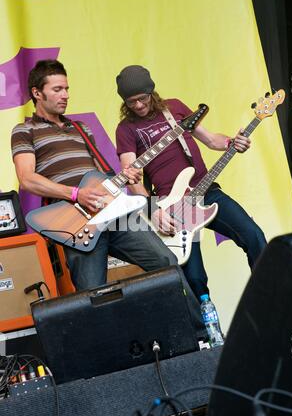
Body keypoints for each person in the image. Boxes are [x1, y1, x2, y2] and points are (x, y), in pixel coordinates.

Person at [11, 59, 178, 291]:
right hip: (75, 221)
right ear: (37, 93)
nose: (65, 95)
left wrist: (124, 177)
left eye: (67, 89)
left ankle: (197, 327)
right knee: (93, 293)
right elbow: (27, 178)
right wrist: (77, 194)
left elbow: (100, 175)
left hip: (112, 212)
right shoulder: (24, 130)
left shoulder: (81, 128)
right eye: (57, 89)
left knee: (167, 262)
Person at [115, 65, 267, 303]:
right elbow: (131, 178)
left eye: (142, 98)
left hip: (206, 191)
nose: (138, 106)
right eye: (131, 102)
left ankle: (273, 300)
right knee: (194, 277)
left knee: (254, 236)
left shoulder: (174, 108)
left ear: (151, 92)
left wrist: (231, 141)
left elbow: (210, 140)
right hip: (172, 207)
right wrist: (153, 211)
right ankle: (209, 332)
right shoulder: (126, 129)